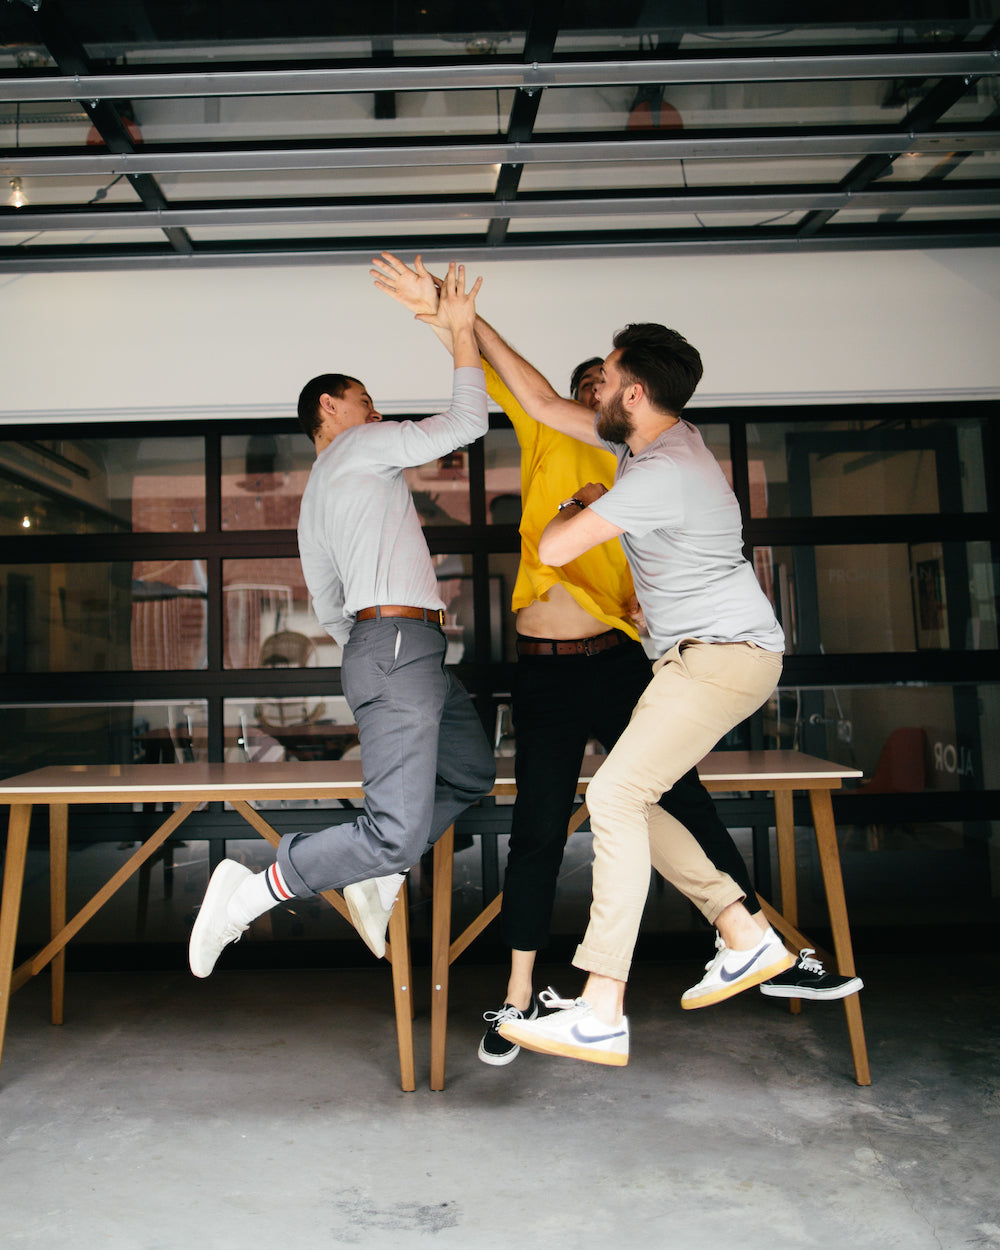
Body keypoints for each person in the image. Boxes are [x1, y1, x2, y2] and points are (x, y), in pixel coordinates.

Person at [371, 256, 859, 1069]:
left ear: (631, 394)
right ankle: (744, 934)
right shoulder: (663, 442)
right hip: (703, 659)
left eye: (607, 377)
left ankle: (601, 1005)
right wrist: (456, 321)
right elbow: (530, 395)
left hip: (720, 659)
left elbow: (560, 544)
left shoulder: (658, 472)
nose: (591, 389)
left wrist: (584, 505)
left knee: (615, 800)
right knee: (641, 800)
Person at [188, 263, 496, 978]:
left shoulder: (317, 494)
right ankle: (251, 890)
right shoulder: (361, 447)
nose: (379, 413)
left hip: (391, 644)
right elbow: (469, 422)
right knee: (393, 830)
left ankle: (376, 878)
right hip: (397, 641)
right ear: (332, 407)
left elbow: (328, 602)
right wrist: (460, 337)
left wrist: (381, 641)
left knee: (471, 772)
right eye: (368, 401)